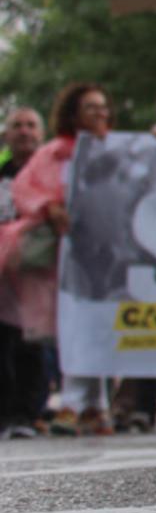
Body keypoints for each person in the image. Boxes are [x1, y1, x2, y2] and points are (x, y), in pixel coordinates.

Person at [0, 84, 112, 435]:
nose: (99, 114)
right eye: (90, 107)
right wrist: (50, 208)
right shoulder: (54, 153)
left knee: (97, 325)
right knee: (72, 325)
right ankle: (74, 402)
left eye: (103, 107)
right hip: (62, 258)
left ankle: (95, 405)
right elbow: (26, 188)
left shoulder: (116, 151)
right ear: (73, 113)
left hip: (104, 254)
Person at [0, 107, 45, 438]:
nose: (24, 131)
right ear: (7, 134)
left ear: (41, 133)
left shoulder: (53, 172)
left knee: (33, 343)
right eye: (17, 125)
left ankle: (27, 414)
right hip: (4, 273)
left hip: (40, 270)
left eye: (31, 125)